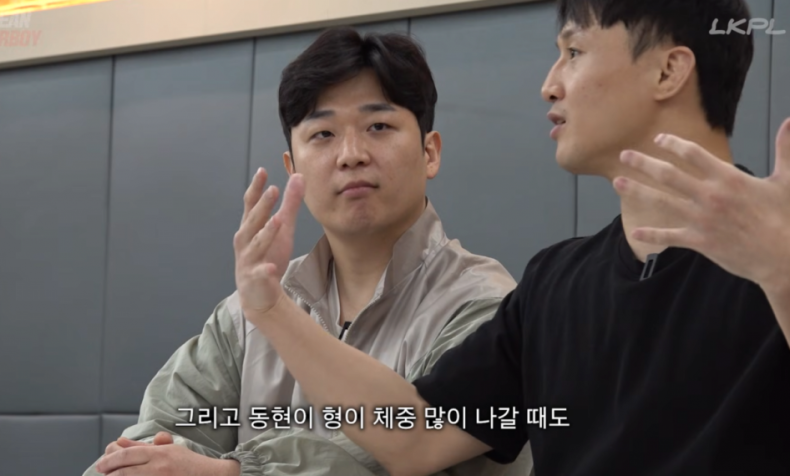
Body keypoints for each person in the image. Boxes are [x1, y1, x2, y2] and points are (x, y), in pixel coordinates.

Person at [228, 1, 790, 475]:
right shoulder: (555, 284)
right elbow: (416, 436)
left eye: (574, 52)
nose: (550, 85)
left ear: (667, 71)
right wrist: (271, 306)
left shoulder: (779, 254)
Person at [85, 27, 534, 476]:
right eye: (323, 134)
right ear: (292, 167)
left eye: (378, 126)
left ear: (429, 152)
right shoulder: (243, 318)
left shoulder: (485, 306)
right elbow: (160, 432)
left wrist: (229, 472)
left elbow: (399, 448)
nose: (351, 154)